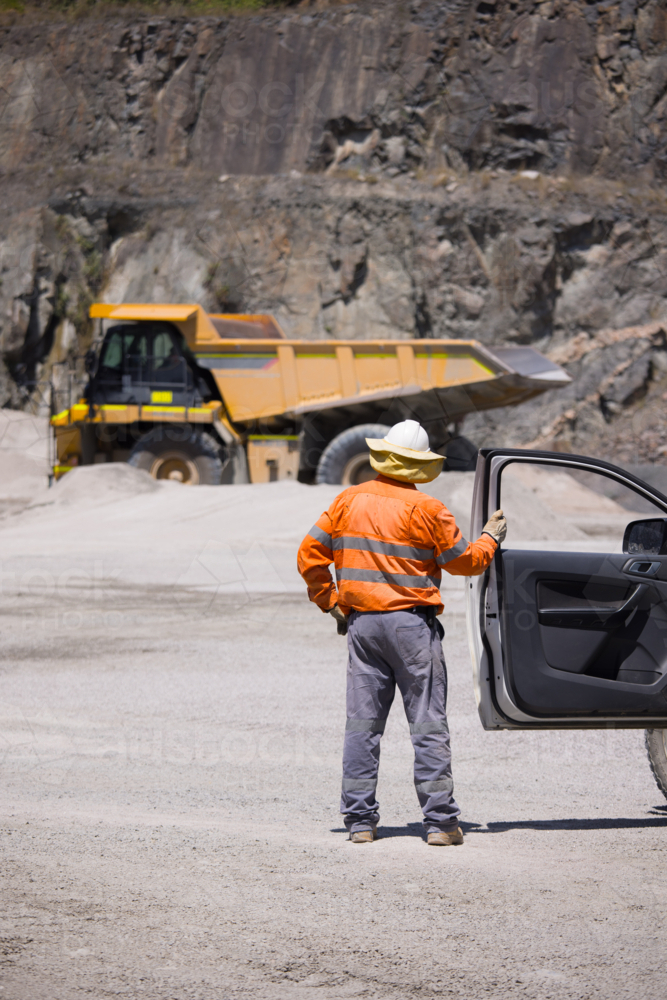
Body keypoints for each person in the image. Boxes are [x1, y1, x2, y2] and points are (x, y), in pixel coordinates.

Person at [297, 420, 507, 845]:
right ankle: (441, 824)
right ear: (419, 467)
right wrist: (490, 538)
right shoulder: (430, 510)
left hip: (363, 627)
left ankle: (359, 822)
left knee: (363, 726)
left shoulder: (345, 501)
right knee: (427, 725)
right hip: (412, 628)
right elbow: (464, 562)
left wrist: (331, 601)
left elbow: (308, 556)